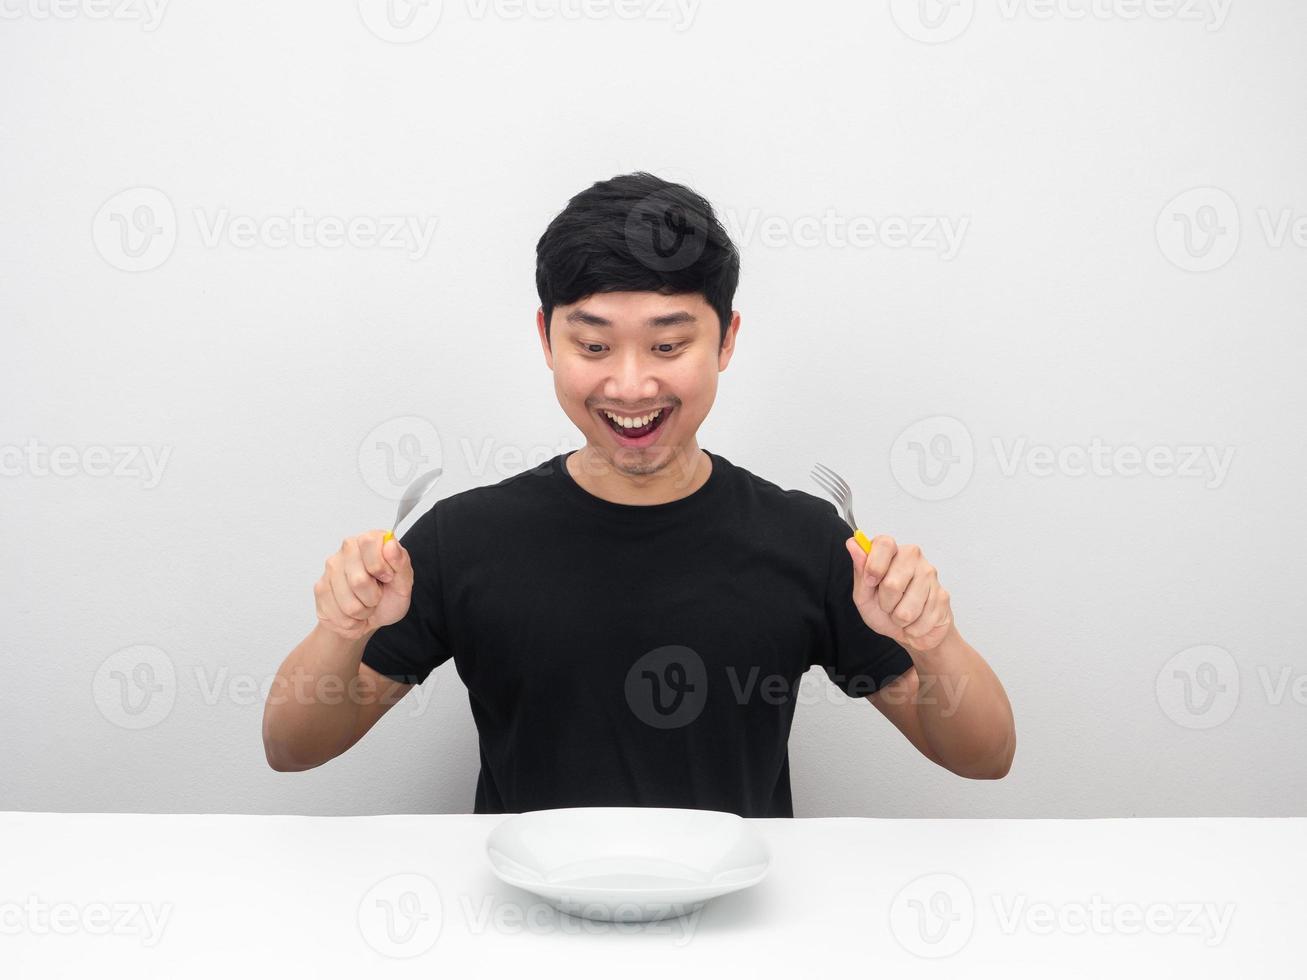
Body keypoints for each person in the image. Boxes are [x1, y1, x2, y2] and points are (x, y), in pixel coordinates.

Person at [262, 172, 1016, 817]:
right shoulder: (462, 537)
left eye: (667, 345)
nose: (629, 385)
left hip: (732, 934)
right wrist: (342, 629)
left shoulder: (806, 538)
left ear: (725, 341)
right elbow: (292, 748)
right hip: (527, 930)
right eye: (592, 345)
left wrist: (933, 640)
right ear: (544, 339)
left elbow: (983, 757)